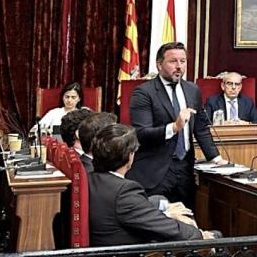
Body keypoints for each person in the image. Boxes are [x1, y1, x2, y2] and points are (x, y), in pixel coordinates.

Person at [126, 42, 224, 206]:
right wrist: (174, 127)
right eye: (173, 61)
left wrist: (216, 158)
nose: (179, 66)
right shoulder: (144, 92)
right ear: (159, 64)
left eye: (183, 61)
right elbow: (141, 134)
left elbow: (201, 129)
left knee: (186, 220)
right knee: (158, 224)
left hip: (185, 170)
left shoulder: (192, 90)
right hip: (155, 172)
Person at [89, 124, 216, 246]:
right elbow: (166, 228)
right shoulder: (124, 191)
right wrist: (199, 235)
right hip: (133, 250)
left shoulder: (89, 180)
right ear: (129, 156)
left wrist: (165, 212)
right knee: (217, 237)